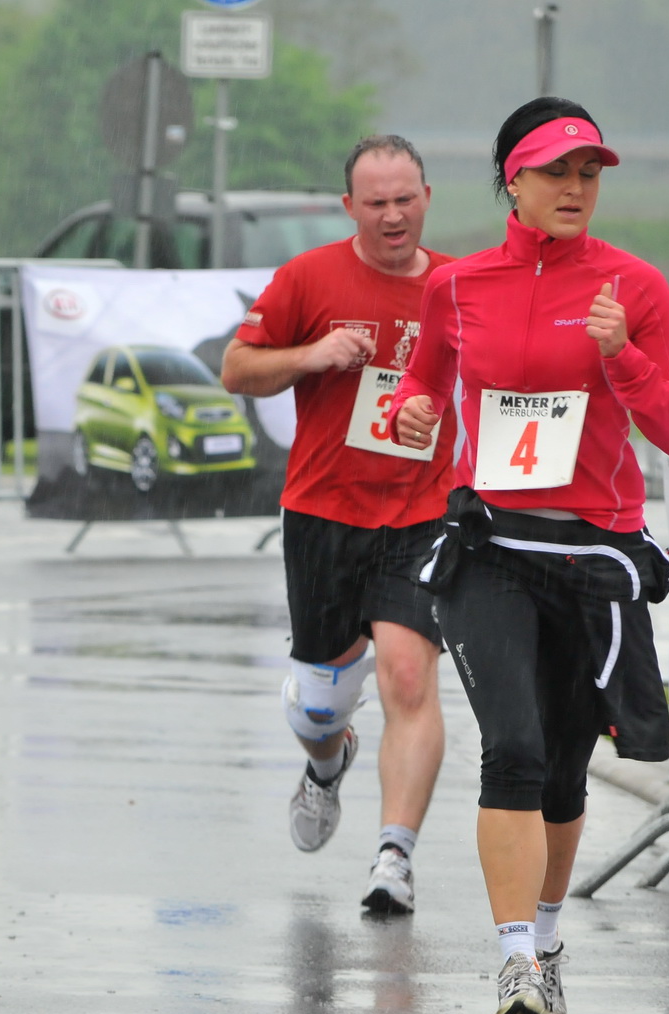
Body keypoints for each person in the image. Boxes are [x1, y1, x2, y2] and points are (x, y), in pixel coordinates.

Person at [390, 98, 669, 1014]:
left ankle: (549, 947)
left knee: (563, 775)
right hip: (491, 548)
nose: (574, 188)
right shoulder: (457, 287)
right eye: (556, 172)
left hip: (593, 554)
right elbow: (423, 385)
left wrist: (621, 356)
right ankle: (515, 958)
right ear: (511, 182)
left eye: (589, 173)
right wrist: (412, 414)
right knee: (512, 749)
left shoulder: (632, 287)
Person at [222, 135, 456, 914]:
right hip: (324, 512)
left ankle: (394, 854)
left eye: (405, 198)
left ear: (427, 196)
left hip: (422, 512)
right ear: (349, 206)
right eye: (376, 202)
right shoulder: (309, 276)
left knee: (407, 674)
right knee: (319, 705)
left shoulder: (459, 286)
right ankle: (326, 763)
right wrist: (312, 354)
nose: (393, 216)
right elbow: (237, 367)